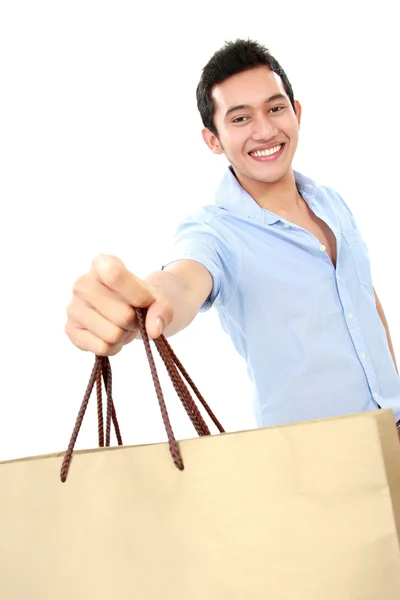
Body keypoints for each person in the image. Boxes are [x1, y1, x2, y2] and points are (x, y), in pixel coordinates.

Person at [65, 38, 400, 428]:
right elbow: (180, 283)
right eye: (240, 119)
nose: (264, 130)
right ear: (213, 140)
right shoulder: (215, 233)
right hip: (315, 465)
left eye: (275, 109)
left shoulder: (331, 202)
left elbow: (366, 306)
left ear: (297, 113)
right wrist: (143, 303)